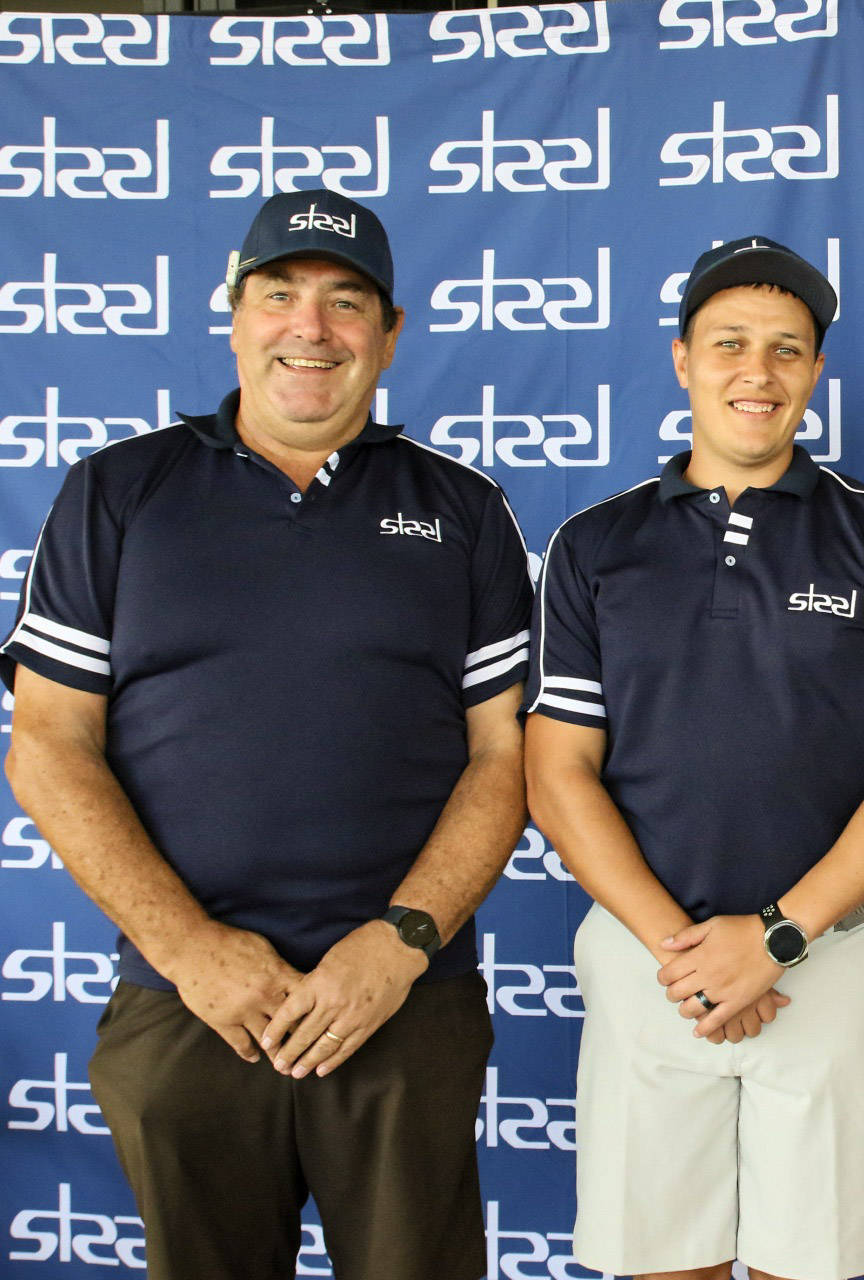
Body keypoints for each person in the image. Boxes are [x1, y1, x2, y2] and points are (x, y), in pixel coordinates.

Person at [1, 188, 533, 1279]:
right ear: (235, 314)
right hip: (185, 1004)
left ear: (390, 333)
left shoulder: (464, 509)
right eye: (279, 294)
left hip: (402, 1003)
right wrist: (188, 949)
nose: (311, 328)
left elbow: (505, 754)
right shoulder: (117, 492)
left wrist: (401, 942)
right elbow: (48, 741)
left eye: (347, 303)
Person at [522, 235, 864, 1280]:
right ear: (683, 359)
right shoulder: (594, 544)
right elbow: (555, 774)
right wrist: (688, 954)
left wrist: (775, 937)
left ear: (815, 370)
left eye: (785, 348)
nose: (756, 372)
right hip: (648, 957)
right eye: (729, 343)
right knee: (663, 1265)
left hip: (830, 951)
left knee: (806, 1267)